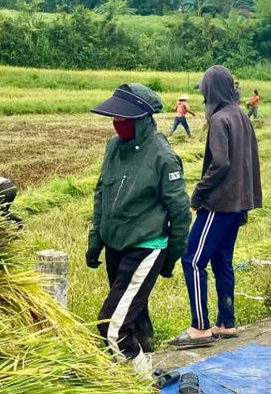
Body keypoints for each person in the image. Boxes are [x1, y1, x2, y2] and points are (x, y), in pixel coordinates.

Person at [85, 83, 192, 375]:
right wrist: (96, 240)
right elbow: (101, 195)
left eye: (125, 119)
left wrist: (169, 259)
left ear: (142, 120)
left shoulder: (162, 157)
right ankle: (145, 364)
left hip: (146, 246)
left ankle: (141, 383)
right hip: (115, 245)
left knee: (111, 328)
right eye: (115, 118)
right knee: (133, 317)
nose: (118, 124)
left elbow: (181, 212)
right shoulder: (113, 148)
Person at [169, 65, 262, 349]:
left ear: (212, 91)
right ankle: (226, 323)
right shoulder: (241, 117)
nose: (203, 97)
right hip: (238, 204)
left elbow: (220, 164)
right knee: (222, 261)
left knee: (193, 260)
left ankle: (199, 328)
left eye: (205, 91)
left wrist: (198, 193)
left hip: (220, 203)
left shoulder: (220, 119)